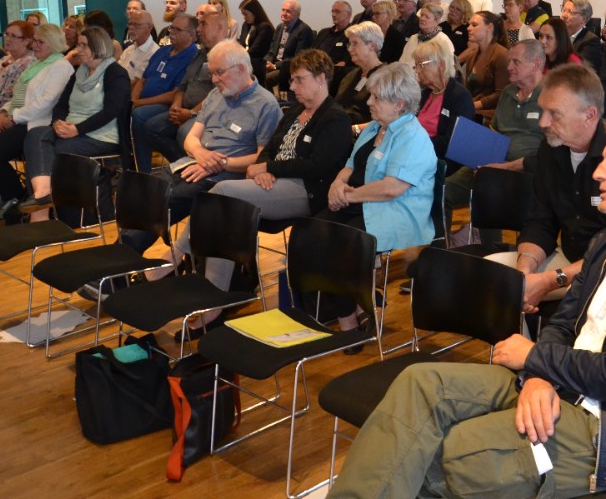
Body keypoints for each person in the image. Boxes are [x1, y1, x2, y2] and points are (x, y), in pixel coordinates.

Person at [328, 116, 606, 499]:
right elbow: (564, 321)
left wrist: (537, 357)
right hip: (567, 383)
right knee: (421, 385)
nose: (597, 173)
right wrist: (539, 374)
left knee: (452, 453)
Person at [165, 50, 352, 320]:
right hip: (276, 183)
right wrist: (262, 168)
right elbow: (269, 147)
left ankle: (177, 254)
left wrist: (269, 168)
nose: (292, 86)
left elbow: (317, 166)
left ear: (321, 78)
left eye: (299, 80)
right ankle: (215, 299)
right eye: (292, 80)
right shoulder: (297, 111)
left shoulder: (335, 118)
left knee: (221, 192)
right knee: (225, 215)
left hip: (307, 190)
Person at [123, 40, 282, 257]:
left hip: (225, 179)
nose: (214, 79)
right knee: (148, 193)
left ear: (241, 69)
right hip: (193, 164)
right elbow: (191, 138)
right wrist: (201, 155)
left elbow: (261, 159)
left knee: (166, 201)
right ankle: (121, 256)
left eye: (219, 73)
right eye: (211, 72)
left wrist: (219, 164)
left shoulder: (266, 105)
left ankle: (122, 261)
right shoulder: (217, 95)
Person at [316, 62, 437, 333]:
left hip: (396, 211)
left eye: (376, 98)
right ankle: (356, 303)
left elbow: (392, 188)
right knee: (315, 231)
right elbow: (350, 163)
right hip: (362, 202)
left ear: (399, 104)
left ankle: (348, 320)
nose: (369, 102)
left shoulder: (412, 136)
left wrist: (348, 196)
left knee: (343, 242)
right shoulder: (374, 127)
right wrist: (338, 183)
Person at [501, 64, 606, 314]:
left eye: (555, 114)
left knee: (521, 292)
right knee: (504, 283)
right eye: (542, 111)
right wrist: (525, 270)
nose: (543, 122)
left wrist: (552, 280)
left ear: (589, 115)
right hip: (570, 260)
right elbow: (541, 221)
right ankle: (521, 352)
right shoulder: (551, 150)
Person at [18, 26, 130, 223]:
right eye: (78, 44)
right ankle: (43, 194)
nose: (78, 49)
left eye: (84, 45)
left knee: (55, 151)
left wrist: (77, 129)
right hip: (72, 129)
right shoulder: (79, 72)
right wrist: (58, 123)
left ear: (98, 46)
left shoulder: (115, 73)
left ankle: (41, 214)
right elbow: (61, 105)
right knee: (35, 134)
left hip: (101, 135)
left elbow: (111, 111)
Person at [0, 23, 74, 220]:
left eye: (41, 42)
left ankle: (16, 196)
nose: (35, 46)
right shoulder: (36, 64)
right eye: (35, 41)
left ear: (53, 43)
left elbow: (45, 103)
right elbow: (17, 96)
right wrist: (3, 113)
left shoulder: (60, 66)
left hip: (35, 122)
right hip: (16, 117)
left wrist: (13, 118)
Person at [443, 39, 548, 216]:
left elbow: (549, 154)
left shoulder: (551, 95)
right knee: (442, 190)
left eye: (516, 62)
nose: (509, 67)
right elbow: (494, 131)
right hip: (492, 164)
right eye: (509, 61)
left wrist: (504, 167)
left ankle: (494, 244)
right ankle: (443, 242)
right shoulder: (508, 92)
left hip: (528, 172)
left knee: (488, 189)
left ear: (536, 64)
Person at [134, 10, 232, 172]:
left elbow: (219, 94)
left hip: (209, 113)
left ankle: (192, 169)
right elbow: (183, 86)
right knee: (151, 127)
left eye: (203, 24)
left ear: (220, 28)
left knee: (184, 132)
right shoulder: (201, 53)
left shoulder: (228, 54)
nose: (198, 29)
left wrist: (191, 113)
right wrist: (176, 106)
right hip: (184, 109)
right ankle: (184, 167)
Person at [128, 13, 199, 172]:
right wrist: (133, 100)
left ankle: (143, 171)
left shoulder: (192, 57)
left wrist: (139, 103)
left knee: (139, 115)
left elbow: (174, 93)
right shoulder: (163, 51)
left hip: (165, 104)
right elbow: (143, 79)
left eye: (177, 30)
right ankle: (127, 165)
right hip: (142, 101)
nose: (171, 33)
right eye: (171, 28)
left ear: (192, 35)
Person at [413, 36, 474, 172]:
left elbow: (451, 142)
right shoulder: (425, 93)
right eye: (416, 65)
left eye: (421, 65)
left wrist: (414, 143)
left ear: (441, 65)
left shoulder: (460, 97)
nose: (417, 70)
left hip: (439, 160)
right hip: (416, 153)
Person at [334, 21, 386, 125]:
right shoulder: (350, 75)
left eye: (355, 44)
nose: (349, 49)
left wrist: (354, 130)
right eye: (349, 44)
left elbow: (384, 120)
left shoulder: (386, 77)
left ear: (371, 45)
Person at [458, 10, 510, 111]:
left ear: (489, 28)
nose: (468, 28)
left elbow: (501, 94)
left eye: (474, 25)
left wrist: (473, 106)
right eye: (469, 25)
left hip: (490, 114)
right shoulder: (473, 56)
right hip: (474, 110)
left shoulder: (501, 54)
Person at [265, 0, 315, 92]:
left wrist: (275, 66)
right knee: (255, 71)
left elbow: (299, 57)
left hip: (288, 68)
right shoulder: (280, 27)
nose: (284, 13)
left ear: (297, 14)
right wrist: (267, 62)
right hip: (273, 64)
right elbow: (272, 50)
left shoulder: (304, 30)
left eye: (288, 11)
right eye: (283, 10)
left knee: (268, 78)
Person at [399, 2, 455, 67]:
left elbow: (447, 68)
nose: (422, 19)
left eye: (427, 17)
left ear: (437, 21)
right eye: (422, 15)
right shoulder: (413, 38)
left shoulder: (443, 40)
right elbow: (402, 62)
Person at [560, 0, 603, 73]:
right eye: (564, 10)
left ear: (583, 19)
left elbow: (580, 71)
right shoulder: (558, 36)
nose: (564, 15)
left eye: (570, 12)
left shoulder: (591, 41)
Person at [313, 0, 354, 74]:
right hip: (315, 69)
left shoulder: (352, 35)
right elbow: (312, 53)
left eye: (337, 12)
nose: (334, 15)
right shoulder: (324, 32)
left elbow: (343, 63)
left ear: (349, 14)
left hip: (334, 73)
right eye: (332, 11)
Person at [118, 10, 159, 82]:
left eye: (136, 24)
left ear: (149, 27)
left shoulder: (155, 53)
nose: (131, 28)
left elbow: (139, 84)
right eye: (130, 24)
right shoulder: (129, 50)